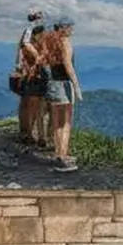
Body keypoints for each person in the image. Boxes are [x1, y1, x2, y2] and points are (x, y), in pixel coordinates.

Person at [44, 17, 82, 171]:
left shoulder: (50, 41)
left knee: (56, 123)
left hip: (52, 82)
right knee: (66, 123)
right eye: (71, 27)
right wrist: (76, 85)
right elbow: (68, 64)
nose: (72, 30)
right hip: (64, 84)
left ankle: (58, 154)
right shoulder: (65, 42)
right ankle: (63, 158)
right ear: (64, 27)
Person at [10, 9, 45, 145]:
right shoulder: (31, 30)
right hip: (29, 70)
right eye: (38, 16)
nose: (39, 18)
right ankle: (26, 132)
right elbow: (25, 47)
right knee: (29, 102)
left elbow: (21, 48)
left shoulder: (31, 30)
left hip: (29, 70)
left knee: (28, 101)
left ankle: (26, 131)